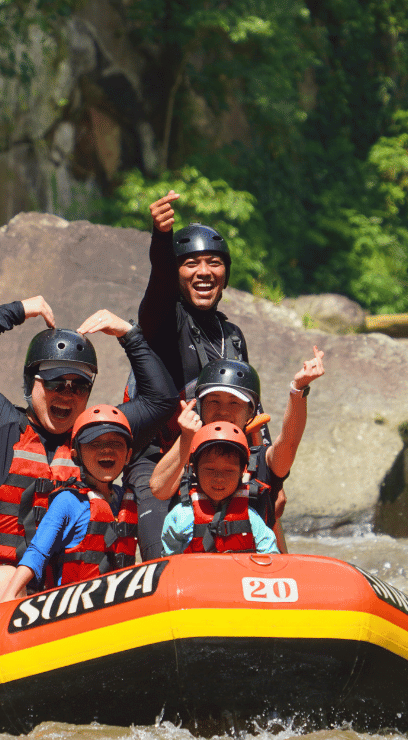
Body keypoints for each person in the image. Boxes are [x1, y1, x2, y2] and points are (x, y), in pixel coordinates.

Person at [0, 295, 177, 597]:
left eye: (79, 386)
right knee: (2, 582)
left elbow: (161, 401)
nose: (67, 394)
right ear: (31, 383)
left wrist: (130, 335)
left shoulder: (96, 437)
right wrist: (14, 312)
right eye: (54, 383)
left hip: (67, 594)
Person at [126, 189, 257, 562]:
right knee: (160, 560)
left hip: (220, 457)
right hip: (157, 460)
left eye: (214, 262)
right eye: (190, 264)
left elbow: (250, 410)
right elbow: (158, 291)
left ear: (225, 274)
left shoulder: (232, 336)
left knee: (270, 501)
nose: (203, 272)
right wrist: (161, 240)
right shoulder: (165, 322)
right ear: (177, 274)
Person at [150, 349, 325, 553]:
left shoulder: (261, 460)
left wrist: (299, 388)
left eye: (234, 403)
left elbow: (289, 441)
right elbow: (159, 489)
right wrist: (187, 438)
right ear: (200, 406)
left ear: (250, 411)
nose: (223, 411)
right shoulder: (187, 451)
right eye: (214, 401)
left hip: (250, 572)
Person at [0, 405, 137, 604]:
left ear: (128, 455)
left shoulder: (127, 501)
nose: (107, 449)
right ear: (76, 455)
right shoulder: (68, 501)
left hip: (116, 605)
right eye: (95, 443)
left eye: (116, 443)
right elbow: (38, 552)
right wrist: (10, 595)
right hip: (72, 608)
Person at [161, 421, 280, 556]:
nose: (219, 478)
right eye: (210, 469)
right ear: (194, 469)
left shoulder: (251, 518)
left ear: (242, 471)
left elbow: (271, 555)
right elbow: (168, 563)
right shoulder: (180, 517)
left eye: (229, 471)